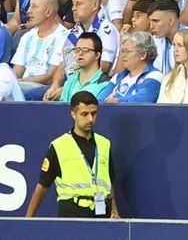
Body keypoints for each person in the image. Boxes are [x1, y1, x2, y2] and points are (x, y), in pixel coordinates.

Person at [24, 91, 120, 219]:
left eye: (94, 113)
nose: (90, 119)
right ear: (73, 114)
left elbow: (109, 180)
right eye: (84, 114)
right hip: (72, 214)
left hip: (102, 213)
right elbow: (42, 186)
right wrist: (28, 219)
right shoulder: (59, 146)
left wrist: (114, 210)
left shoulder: (104, 144)